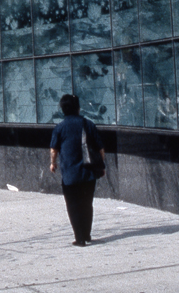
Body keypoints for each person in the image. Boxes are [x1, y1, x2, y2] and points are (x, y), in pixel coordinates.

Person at [49, 94, 105, 247]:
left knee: (73, 205)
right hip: (88, 173)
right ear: (78, 108)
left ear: (62, 109)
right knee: (87, 203)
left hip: (70, 174)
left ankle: (79, 238)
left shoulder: (59, 128)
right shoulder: (88, 124)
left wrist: (52, 163)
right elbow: (100, 150)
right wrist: (102, 166)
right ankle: (87, 234)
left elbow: (54, 150)